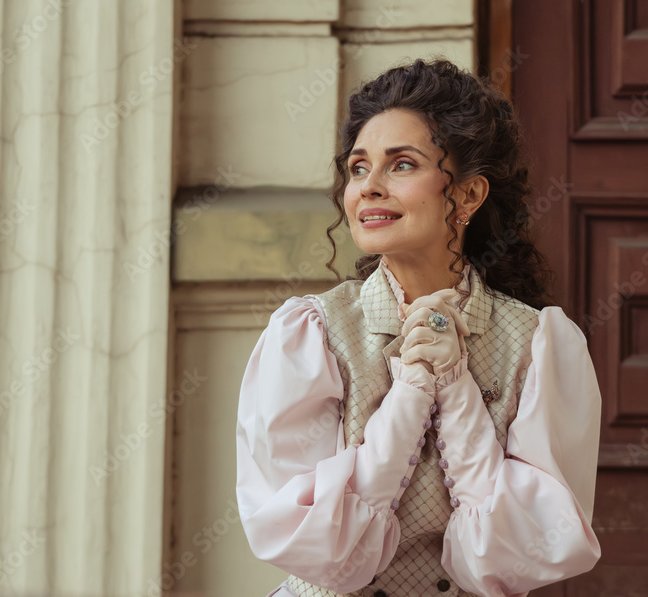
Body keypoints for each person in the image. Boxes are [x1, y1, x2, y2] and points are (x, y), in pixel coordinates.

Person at [236, 59, 601, 597]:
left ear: (468, 196)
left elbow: (519, 554)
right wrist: (409, 394)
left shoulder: (538, 343)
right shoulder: (310, 335)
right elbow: (316, 549)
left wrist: (457, 387)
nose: (370, 187)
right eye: (359, 168)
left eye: (401, 164)